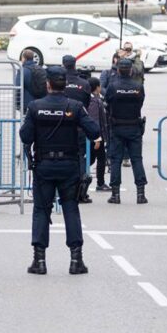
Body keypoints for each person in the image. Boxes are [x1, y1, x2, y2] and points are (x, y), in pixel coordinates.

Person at [21, 66, 102, 275]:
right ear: (64, 84)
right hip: (68, 166)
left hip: (44, 166)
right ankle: (76, 260)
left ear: (47, 84)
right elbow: (94, 130)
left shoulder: (35, 107)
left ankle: (39, 261)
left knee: (41, 210)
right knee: (71, 209)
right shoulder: (74, 106)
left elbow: (25, 136)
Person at [104, 56, 148, 205]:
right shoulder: (138, 87)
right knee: (136, 159)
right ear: (130, 71)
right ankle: (140, 194)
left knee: (116, 159)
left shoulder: (113, 86)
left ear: (118, 70)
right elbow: (141, 102)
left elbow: (108, 102)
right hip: (134, 124)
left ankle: (115, 194)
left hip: (117, 125)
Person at [88, 76, 110, 191]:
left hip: (96, 135)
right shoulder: (93, 101)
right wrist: (97, 137)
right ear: (97, 87)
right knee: (95, 159)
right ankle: (100, 183)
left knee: (94, 159)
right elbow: (94, 119)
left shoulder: (96, 98)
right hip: (95, 136)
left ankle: (100, 182)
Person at [16, 50, 46, 115]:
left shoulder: (22, 71)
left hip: (27, 104)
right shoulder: (42, 70)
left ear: (24, 58)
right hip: (42, 103)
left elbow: (17, 88)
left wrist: (18, 103)